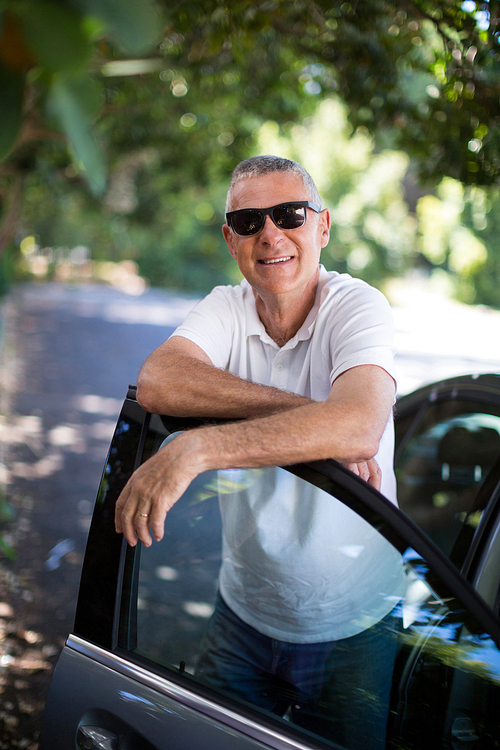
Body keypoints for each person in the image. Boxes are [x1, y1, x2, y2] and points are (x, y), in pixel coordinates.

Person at [114, 155, 405, 748]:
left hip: (355, 625)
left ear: (322, 226)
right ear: (231, 239)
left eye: (289, 215)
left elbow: (359, 427)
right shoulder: (227, 306)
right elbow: (158, 381)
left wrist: (198, 448)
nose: (270, 233)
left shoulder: (356, 305)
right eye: (249, 222)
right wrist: (312, 416)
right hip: (244, 614)